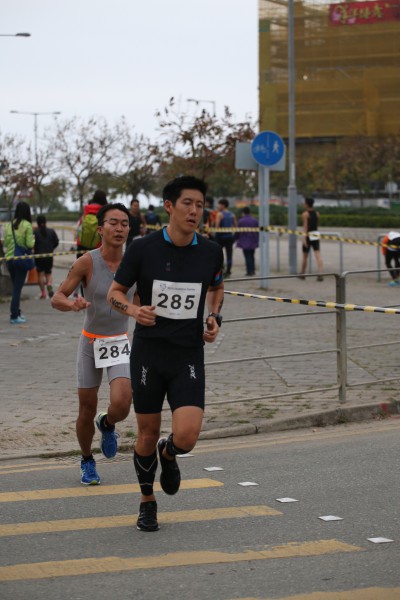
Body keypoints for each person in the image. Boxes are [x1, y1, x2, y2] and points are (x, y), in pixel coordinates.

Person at [107, 175, 224, 532]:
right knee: (146, 432)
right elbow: (115, 293)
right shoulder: (143, 248)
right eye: (187, 203)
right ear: (170, 206)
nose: (194, 211)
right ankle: (147, 502)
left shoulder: (211, 251)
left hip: (188, 354)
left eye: (200, 205)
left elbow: (217, 288)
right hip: (150, 353)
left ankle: (169, 452)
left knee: (187, 436)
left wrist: (214, 317)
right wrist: (134, 311)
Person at [51, 203, 135, 486]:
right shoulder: (86, 262)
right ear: (100, 229)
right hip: (91, 342)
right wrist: (71, 304)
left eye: (124, 223)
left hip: (119, 341)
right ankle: (87, 459)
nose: (119, 228)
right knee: (86, 409)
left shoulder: (134, 264)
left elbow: (141, 302)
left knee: (122, 404)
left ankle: (107, 423)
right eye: (113, 223)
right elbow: (57, 297)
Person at [4, 201, 34, 324]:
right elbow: (29, 244)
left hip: (9, 259)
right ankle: (14, 315)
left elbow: (6, 243)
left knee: (15, 287)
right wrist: (33, 241)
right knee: (17, 289)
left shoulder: (8, 225)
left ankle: (17, 312)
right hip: (21, 260)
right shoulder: (27, 225)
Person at [75, 190, 108, 258]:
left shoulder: (86, 209)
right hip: (97, 246)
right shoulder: (105, 211)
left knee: (80, 264)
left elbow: (79, 227)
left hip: (81, 244)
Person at [34, 215, 59, 299]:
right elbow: (56, 242)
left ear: (37, 223)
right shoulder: (51, 231)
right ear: (45, 222)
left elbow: (32, 243)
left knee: (40, 275)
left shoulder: (35, 232)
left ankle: (43, 293)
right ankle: (49, 284)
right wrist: (51, 248)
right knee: (48, 274)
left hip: (38, 256)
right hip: (49, 255)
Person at [299, 197, 324, 281]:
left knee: (305, 256)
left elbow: (305, 226)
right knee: (318, 254)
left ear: (307, 204)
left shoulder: (305, 214)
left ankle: (302, 273)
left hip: (308, 235)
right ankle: (321, 273)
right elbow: (316, 225)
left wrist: (304, 238)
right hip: (315, 234)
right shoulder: (317, 213)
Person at [215, 198, 237, 276]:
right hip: (229, 237)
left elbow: (217, 227)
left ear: (223, 205)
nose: (218, 206)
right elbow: (236, 226)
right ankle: (228, 271)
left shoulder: (219, 214)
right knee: (229, 255)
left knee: (219, 254)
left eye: (219, 205)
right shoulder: (232, 214)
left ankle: (221, 270)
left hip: (220, 237)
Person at [236, 206, 259, 276]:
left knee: (247, 256)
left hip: (244, 241)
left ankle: (249, 271)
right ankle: (253, 270)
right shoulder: (255, 220)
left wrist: (235, 239)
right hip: (253, 241)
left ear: (243, 212)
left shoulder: (241, 221)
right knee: (252, 256)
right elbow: (258, 231)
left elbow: (237, 231)